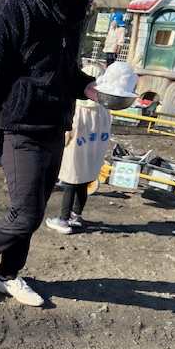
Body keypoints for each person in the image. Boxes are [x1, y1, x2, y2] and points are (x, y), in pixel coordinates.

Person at [0, 0, 100, 306]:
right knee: (26, 214)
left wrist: (86, 85)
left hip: (55, 127)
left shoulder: (72, 11)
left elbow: (61, 69)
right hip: (19, 127)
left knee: (31, 212)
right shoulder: (12, 9)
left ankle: (8, 275)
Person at [45, 63, 111, 234]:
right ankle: (77, 216)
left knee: (70, 185)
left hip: (75, 154)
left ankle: (63, 220)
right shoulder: (105, 110)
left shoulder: (77, 109)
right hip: (94, 154)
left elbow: (67, 134)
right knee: (83, 184)